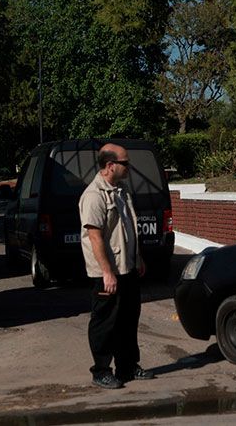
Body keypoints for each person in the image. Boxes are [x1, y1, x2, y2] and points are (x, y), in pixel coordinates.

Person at [79, 143, 155, 390]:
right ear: (110, 166)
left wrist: (138, 257)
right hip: (108, 273)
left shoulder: (121, 191)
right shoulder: (94, 195)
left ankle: (128, 366)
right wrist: (106, 272)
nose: (129, 168)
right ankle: (101, 370)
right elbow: (95, 236)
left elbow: (128, 228)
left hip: (128, 267)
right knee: (105, 322)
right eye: (125, 163)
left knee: (128, 319)